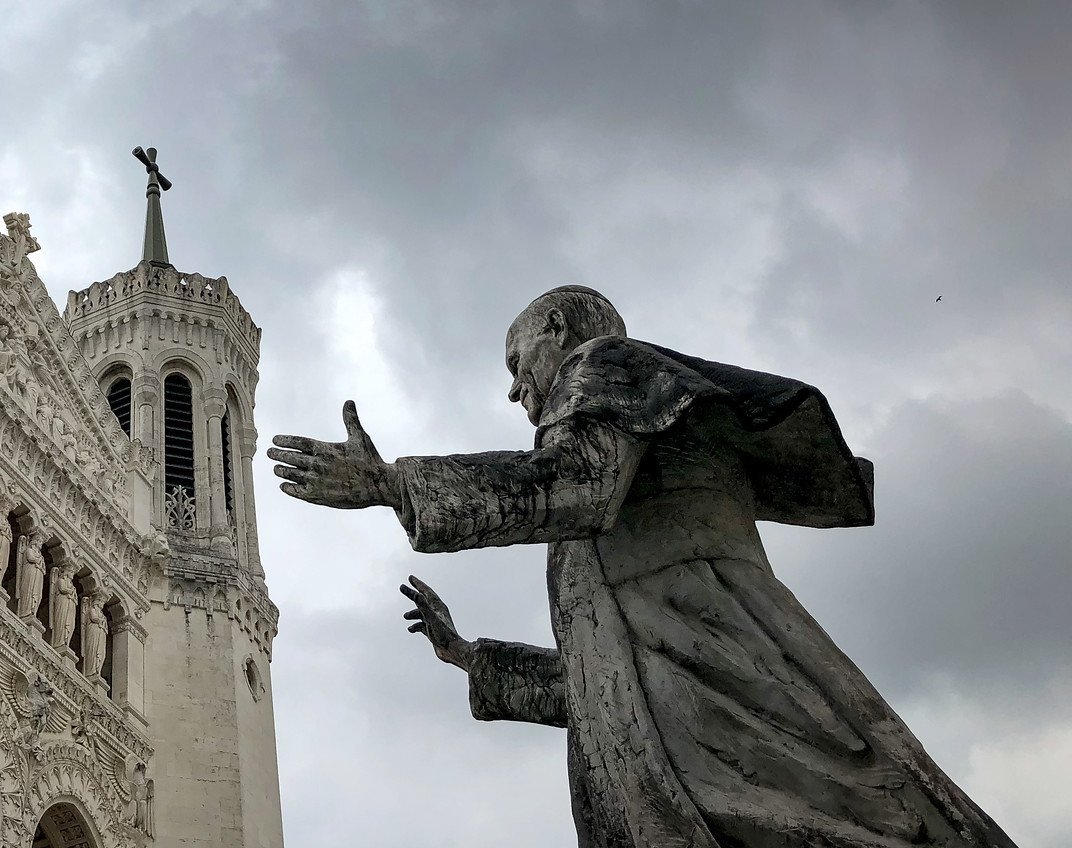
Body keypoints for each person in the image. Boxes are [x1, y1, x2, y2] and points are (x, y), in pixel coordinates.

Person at [269, 285, 1017, 848]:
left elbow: (576, 487)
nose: (513, 386)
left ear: (557, 330)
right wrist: (471, 657)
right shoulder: (609, 423)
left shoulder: (608, 370)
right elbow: (602, 682)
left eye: (515, 360)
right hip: (691, 727)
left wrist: (393, 483)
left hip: (728, 708)